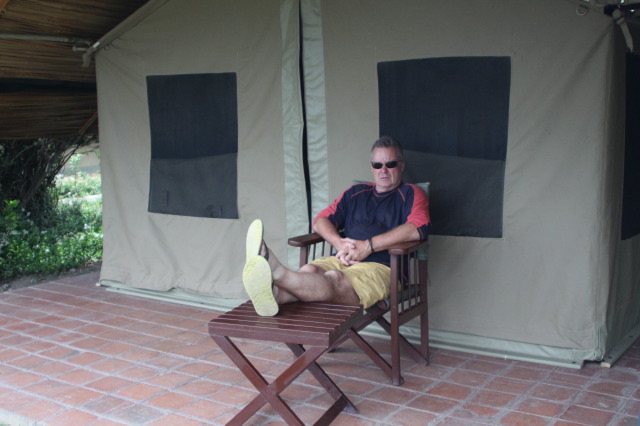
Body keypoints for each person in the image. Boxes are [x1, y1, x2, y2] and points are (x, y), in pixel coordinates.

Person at [243, 136, 430, 316]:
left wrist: (367, 246)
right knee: (309, 271)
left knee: (335, 277)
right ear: (371, 167)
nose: (383, 170)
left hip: (383, 267)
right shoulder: (355, 193)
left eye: (390, 164)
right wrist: (339, 243)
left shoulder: (411, 193)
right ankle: (275, 295)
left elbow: (419, 227)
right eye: (377, 165)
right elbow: (320, 221)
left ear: (402, 165)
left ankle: (278, 273)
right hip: (343, 258)